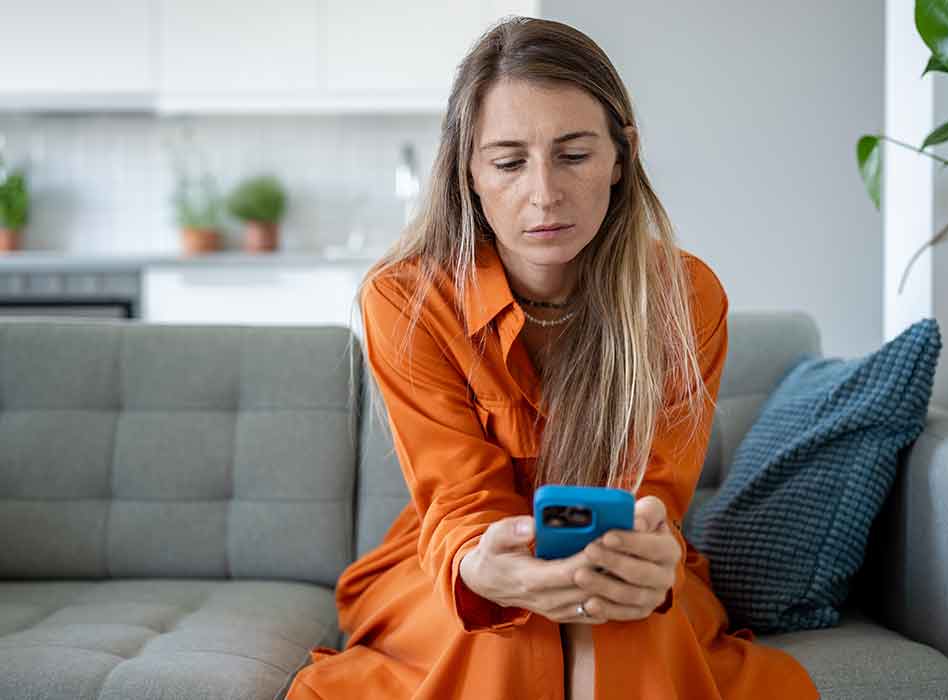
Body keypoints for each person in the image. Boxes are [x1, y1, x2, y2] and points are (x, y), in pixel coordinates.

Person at [285, 15, 820, 700]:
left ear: (621, 156)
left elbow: (655, 494)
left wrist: (642, 556)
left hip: (621, 558)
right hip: (453, 563)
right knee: (510, 627)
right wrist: (488, 570)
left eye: (573, 155)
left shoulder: (685, 296)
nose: (543, 194)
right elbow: (459, 499)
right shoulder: (405, 300)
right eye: (509, 162)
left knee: (624, 620)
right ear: (469, 171)